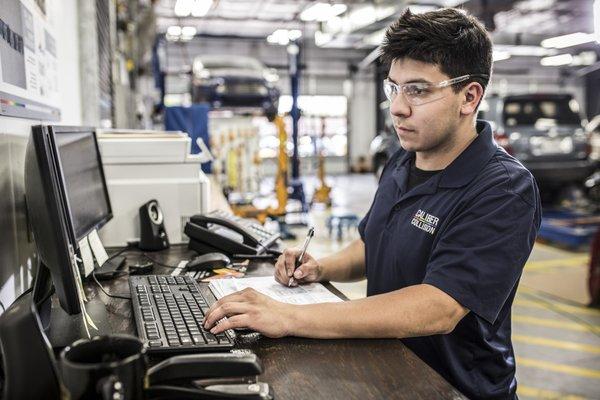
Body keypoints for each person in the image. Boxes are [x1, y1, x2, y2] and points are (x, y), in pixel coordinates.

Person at [204, 8, 541, 399]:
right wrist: (319, 267)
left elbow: (438, 307)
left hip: (456, 387)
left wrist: (289, 315)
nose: (398, 107)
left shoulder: (502, 189)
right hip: (389, 369)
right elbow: (372, 243)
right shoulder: (402, 160)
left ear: (469, 96)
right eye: (393, 88)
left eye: (418, 90)